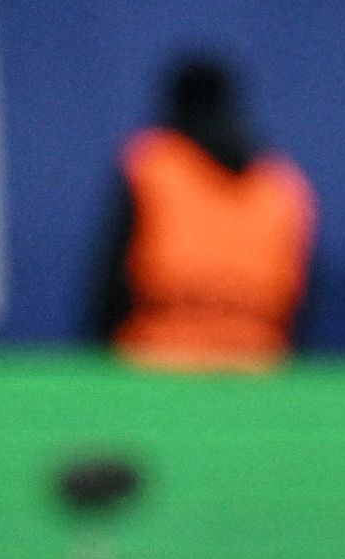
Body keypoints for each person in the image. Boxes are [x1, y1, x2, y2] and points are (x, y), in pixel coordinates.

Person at [83, 55, 317, 371]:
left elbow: (110, 280)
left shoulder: (152, 164)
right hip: (258, 365)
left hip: (156, 359)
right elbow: (303, 298)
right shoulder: (282, 182)